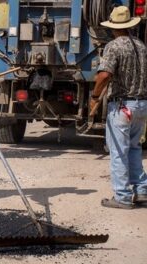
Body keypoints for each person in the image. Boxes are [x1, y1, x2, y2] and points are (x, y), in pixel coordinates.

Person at [90, 6, 147, 209]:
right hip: (141, 105)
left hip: (122, 106)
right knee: (134, 149)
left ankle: (122, 197)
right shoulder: (141, 46)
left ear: (114, 27)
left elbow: (104, 75)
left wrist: (95, 96)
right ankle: (141, 191)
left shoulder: (114, 46)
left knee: (118, 152)